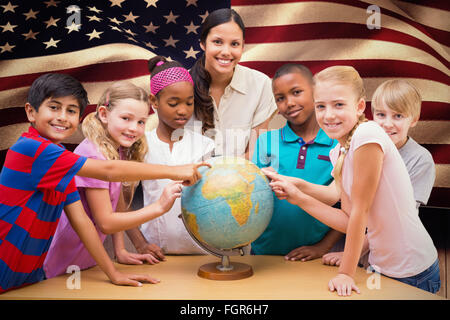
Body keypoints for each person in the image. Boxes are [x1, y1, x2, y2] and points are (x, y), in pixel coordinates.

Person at [0, 73, 209, 293]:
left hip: (29, 273)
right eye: (54, 107)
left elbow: (83, 222)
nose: (62, 117)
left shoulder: (62, 161)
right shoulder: (31, 149)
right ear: (31, 112)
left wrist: (114, 273)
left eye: (71, 111)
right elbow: (109, 173)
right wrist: (174, 174)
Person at [263, 66, 440, 296]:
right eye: (321, 106)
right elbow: (346, 217)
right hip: (380, 266)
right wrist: (295, 190)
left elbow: (360, 211)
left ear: (358, 107)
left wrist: (346, 272)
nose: (328, 115)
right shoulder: (339, 151)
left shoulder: (368, 135)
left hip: (413, 271)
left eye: (338, 105)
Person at [43, 81, 183, 279]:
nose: (134, 128)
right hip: (63, 259)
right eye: (126, 118)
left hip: (88, 260)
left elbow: (116, 201)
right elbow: (106, 223)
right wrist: (159, 207)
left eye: (141, 122)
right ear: (104, 114)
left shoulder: (117, 149)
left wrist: (120, 250)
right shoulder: (93, 154)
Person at [322, 79, 436, 267]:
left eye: (398, 116)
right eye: (381, 114)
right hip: (369, 250)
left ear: (414, 119)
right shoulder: (360, 146)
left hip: (401, 259)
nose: (387, 124)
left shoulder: (420, 160)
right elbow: (339, 197)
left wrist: (352, 253)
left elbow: (397, 221)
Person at [251, 63, 341, 261]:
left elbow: (347, 207)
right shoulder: (266, 141)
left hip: (315, 258)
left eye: (297, 92)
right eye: (280, 98)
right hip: (263, 254)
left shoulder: (337, 143)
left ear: (315, 91)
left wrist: (323, 247)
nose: (289, 103)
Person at [128, 56, 215, 258]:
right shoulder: (141, 145)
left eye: (189, 103)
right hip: (158, 254)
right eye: (173, 103)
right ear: (154, 102)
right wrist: (140, 244)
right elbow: (121, 201)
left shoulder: (205, 145)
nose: (183, 110)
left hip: (203, 253)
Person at [188, 8, 278, 159]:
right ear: (203, 44)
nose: (226, 51)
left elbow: (255, 152)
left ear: (243, 46)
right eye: (217, 42)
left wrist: (222, 175)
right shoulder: (179, 84)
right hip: (187, 179)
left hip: (239, 177)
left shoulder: (261, 85)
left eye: (234, 44)